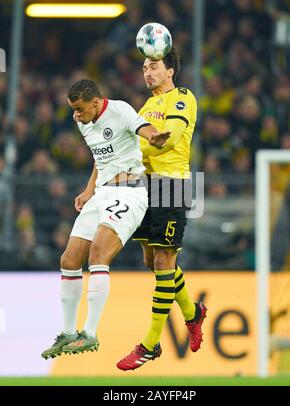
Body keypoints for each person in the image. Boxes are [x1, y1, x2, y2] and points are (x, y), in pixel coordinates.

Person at [41, 79, 170, 359]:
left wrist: (153, 136)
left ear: (96, 102)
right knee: (69, 260)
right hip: (100, 193)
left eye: (79, 108)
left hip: (129, 193)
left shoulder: (120, 110)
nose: (75, 115)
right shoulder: (83, 123)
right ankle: (68, 332)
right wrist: (89, 191)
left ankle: (90, 333)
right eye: (72, 110)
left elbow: (143, 128)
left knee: (98, 254)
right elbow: (100, 160)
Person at [117, 48, 207, 371]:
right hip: (147, 186)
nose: (147, 72)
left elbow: (169, 139)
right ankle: (193, 314)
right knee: (151, 262)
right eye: (143, 67)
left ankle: (150, 345)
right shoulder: (147, 105)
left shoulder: (183, 98)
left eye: (153, 66)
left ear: (170, 71)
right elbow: (138, 145)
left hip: (173, 185)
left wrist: (145, 141)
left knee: (164, 260)